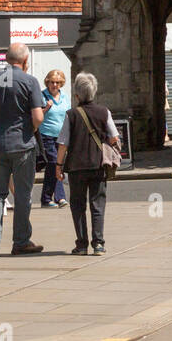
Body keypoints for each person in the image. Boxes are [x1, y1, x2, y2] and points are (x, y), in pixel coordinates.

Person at [0, 42, 46, 257]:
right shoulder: (29, 81)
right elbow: (38, 116)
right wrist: (29, 131)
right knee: (22, 195)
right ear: (24, 61)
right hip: (22, 146)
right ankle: (21, 241)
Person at [54, 72, 121, 255]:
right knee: (97, 204)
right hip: (98, 164)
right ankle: (98, 243)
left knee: (77, 205)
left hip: (76, 166)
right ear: (94, 92)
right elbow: (114, 137)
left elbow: (63, 144)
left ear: (77, 95)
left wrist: (58, 166)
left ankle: (82, 244)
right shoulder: (104, 112)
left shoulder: (72, 114)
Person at [38, 70, 69, 208]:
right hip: (46, 135)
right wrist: (46, 108)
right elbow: (36, 116)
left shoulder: (65, 97)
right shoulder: (42, 96)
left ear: (61, 83)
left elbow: (68, 115)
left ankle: (47, 198)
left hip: (61, 136)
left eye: (57, 82)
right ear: (47, 82)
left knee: (56, 165)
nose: (54, 85)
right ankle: (60, 197)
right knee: (53, 162)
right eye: (52, 82)